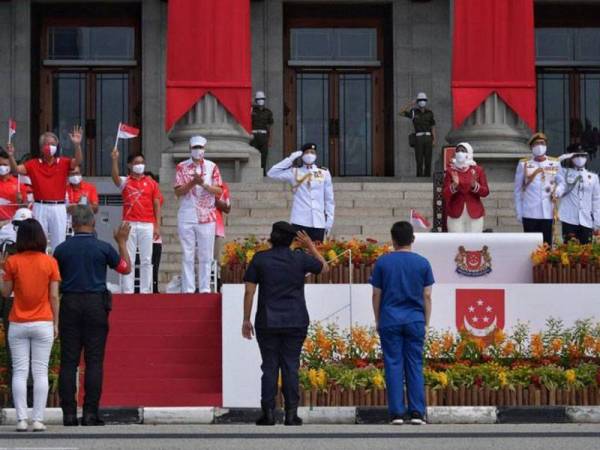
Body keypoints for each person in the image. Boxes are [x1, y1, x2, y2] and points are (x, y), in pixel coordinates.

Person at [242, 222, 328, 426]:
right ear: (292, 239)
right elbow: (324, 268)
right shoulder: (299, 258)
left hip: (267, 320)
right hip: (296, 319)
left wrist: (246, 319)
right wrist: (310, 246)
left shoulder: (260, 259)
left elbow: (249, 291)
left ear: (271, 237)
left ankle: (268, 413)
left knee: (270, 366)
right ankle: (291, 414)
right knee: (291, 366)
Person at [53, 206, 131, 426]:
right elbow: (125, 268)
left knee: (68, 361)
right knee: (94, 361)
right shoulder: (103, 247)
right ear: (93, 223)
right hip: (95, 304)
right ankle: (90, 413)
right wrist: (122, 243)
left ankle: (68, 413)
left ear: (73, 224)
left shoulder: (61, 249)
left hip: (70, 302)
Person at [371, 221, 434, 425]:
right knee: (415, 364)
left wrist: (378, 319)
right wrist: (426, 321)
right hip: (415, 318)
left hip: (390, 318)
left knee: (393, 364)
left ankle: (397, 413)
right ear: (413, 239)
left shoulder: (383, 262)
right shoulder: (423, 263)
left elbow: (376, 294)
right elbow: (427, 295)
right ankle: (417, 412)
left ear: (393, 240)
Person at [1, 219, 60, 432]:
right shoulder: (50, 262)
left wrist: (2, 269)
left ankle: (21, 419)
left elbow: (5, 293)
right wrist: (56, 322)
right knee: (40, 372)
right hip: (43, 320)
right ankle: (37, 419)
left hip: (18, 321)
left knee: (19, 371)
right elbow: (54, 296)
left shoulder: (13, 262)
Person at [7, 127, 84, 251]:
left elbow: (78, 161)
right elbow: (16, 170)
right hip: (40, 206)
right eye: (47, 144)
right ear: (41, 147)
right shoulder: (33, 163)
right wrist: (11, 156)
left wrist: (77, 145)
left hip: (58, 207)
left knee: (59, 242)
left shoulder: (63, 162)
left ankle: (57, 269)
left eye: (53, 144)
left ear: (57, 146)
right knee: (38, 241)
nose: (50, 146)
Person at [174, 135, 223, 293]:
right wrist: (192, 183)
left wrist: (204, 184)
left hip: (207, 215)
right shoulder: (182, 167)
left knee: (205, 254)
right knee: (187, 253)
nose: (198, 150)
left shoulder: (212, 166)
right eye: (195, 148)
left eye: (200, 147)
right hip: (187, 214)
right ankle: (188, 288)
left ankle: (204, 288)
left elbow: (219, 190)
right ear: (189, 149)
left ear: (204, 149)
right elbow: (178, 191)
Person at [111, 149, 161, 294]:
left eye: (142, 162)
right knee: (129, 258)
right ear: (129, 165)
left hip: (147, 224)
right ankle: (128, 290)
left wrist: (157, 225)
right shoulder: (125, 182)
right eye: (136, 163)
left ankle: (146, 291)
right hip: (129, 224)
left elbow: (156, 203)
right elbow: (115, 178)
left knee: (146, 259)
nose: (140, 165)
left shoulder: (151, 183)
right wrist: (114, 160)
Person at [267, 143, 335, 242]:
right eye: (306, 152)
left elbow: (329, 198)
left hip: (318, 221)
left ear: (316, 155)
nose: (309, 155)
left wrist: (330, 219)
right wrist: (290, 159)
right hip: (300, 220)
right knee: (298, 252)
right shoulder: (294, 171)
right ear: (301, 155)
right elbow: (271, 173)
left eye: (312, 152)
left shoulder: (323, 172)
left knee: (316, 252)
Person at [514, 132, 561, 245]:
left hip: (547, 211)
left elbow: (562, 183)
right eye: (536, 144)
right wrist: (519, 212)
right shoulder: (524, 164)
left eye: (542, 143)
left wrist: (557, 192)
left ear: (546, 145)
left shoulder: (554, 163)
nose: (539, 146)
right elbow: (518, 190)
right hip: (530, 212)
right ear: (531, 147)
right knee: (530, 246)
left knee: (547, 245)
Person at [442, 143, 489, 232]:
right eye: (458, 151)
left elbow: (485, 192)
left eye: (463, 151)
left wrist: (475, 186)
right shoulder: (450, 170)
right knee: (456, 243)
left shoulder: (478, 170)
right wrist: (454, 186)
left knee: (473, 242)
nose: (460, 153)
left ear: (469, 153)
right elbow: (444, 194)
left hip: (474, 212)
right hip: (455, 212)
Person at [555, 151, 600, 244]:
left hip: (586, 219)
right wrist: (565, 156)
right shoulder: (566, 173)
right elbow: (555, 165)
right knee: (568, 249)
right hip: (569, 218)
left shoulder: (593, 177)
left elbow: (596, 200)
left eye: (582, 156)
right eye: (577, 156)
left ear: (586, 158)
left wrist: (597, 221)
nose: (579, 158)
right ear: (572, 158)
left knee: (586, 251)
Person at [400, 92, 436, 177]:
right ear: (417, 101)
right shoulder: (413, 112)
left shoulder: (430, 113)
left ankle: (427, 177)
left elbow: (433, 126)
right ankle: (419, 178)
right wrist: (411, 104)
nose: (422, 101)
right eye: (420, 100)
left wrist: (434, 139)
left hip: (428, 137)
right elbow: (401, 112)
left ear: (426, 101)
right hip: (418, 138)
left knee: (428, 159)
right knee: (419, 159)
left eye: (423, 100)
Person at [0, 149, 27, 243]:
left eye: (4, 165)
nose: (2, 167)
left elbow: (25, 209)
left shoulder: (19, 185)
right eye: (0, 165)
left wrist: (21, 202)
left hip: (12, 227)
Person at [66, 166, 99, 235]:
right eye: (72, 174)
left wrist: (80, 207)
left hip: (87, 227)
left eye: (77, 173)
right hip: (68, 227)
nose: (75, 176)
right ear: (68, 176)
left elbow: (96, 209)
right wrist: (67, 208)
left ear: (81, 173)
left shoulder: (90, 188)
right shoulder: (64, 189)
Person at [250, 91, 274, 175]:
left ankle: (263, 172)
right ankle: (254, 172)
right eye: (259, 99)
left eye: (262, 99)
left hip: (264, 136)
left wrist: (270, 139)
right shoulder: (252, 110)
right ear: (256, 100)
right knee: (254, 155)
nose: (261, 100)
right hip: (254, 135)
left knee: (264, 155)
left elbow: (270, 126)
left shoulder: (268, 112)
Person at [214, 181, 231, 291]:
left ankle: (217, 283)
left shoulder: (222, 186)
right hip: (197, 226)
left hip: (216, 228)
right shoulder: (196, 184)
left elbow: (227, 208)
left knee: (217, 259)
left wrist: (212, 197)